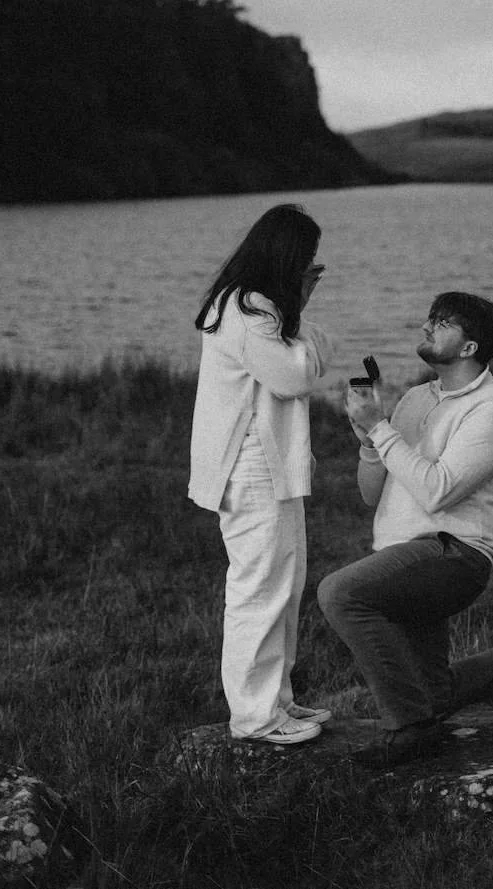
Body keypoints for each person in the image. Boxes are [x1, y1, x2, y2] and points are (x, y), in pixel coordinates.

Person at [317, 291, 493, 769]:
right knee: (433, 693)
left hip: (454, 556)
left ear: (470, 348)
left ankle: (411, 729)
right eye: (430, 318)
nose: (427, 327)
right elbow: (371, 494)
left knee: (339, 593)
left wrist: (382, 430)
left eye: (443, 323)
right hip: (403, 557)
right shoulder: (416, 398)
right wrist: (368, 440)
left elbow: (438, 491)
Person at [188, 203, 335, 745]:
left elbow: (314, 350)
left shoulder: (259, 307)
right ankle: (254, 717)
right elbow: (295, 376)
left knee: (284, 585)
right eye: (306, 259)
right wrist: (300, 309)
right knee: (260, 590)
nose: (311, 267)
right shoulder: (248, 310)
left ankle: (277, 700)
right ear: (286, 258)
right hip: (250, 466)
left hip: (265, 465)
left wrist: (298, 313)